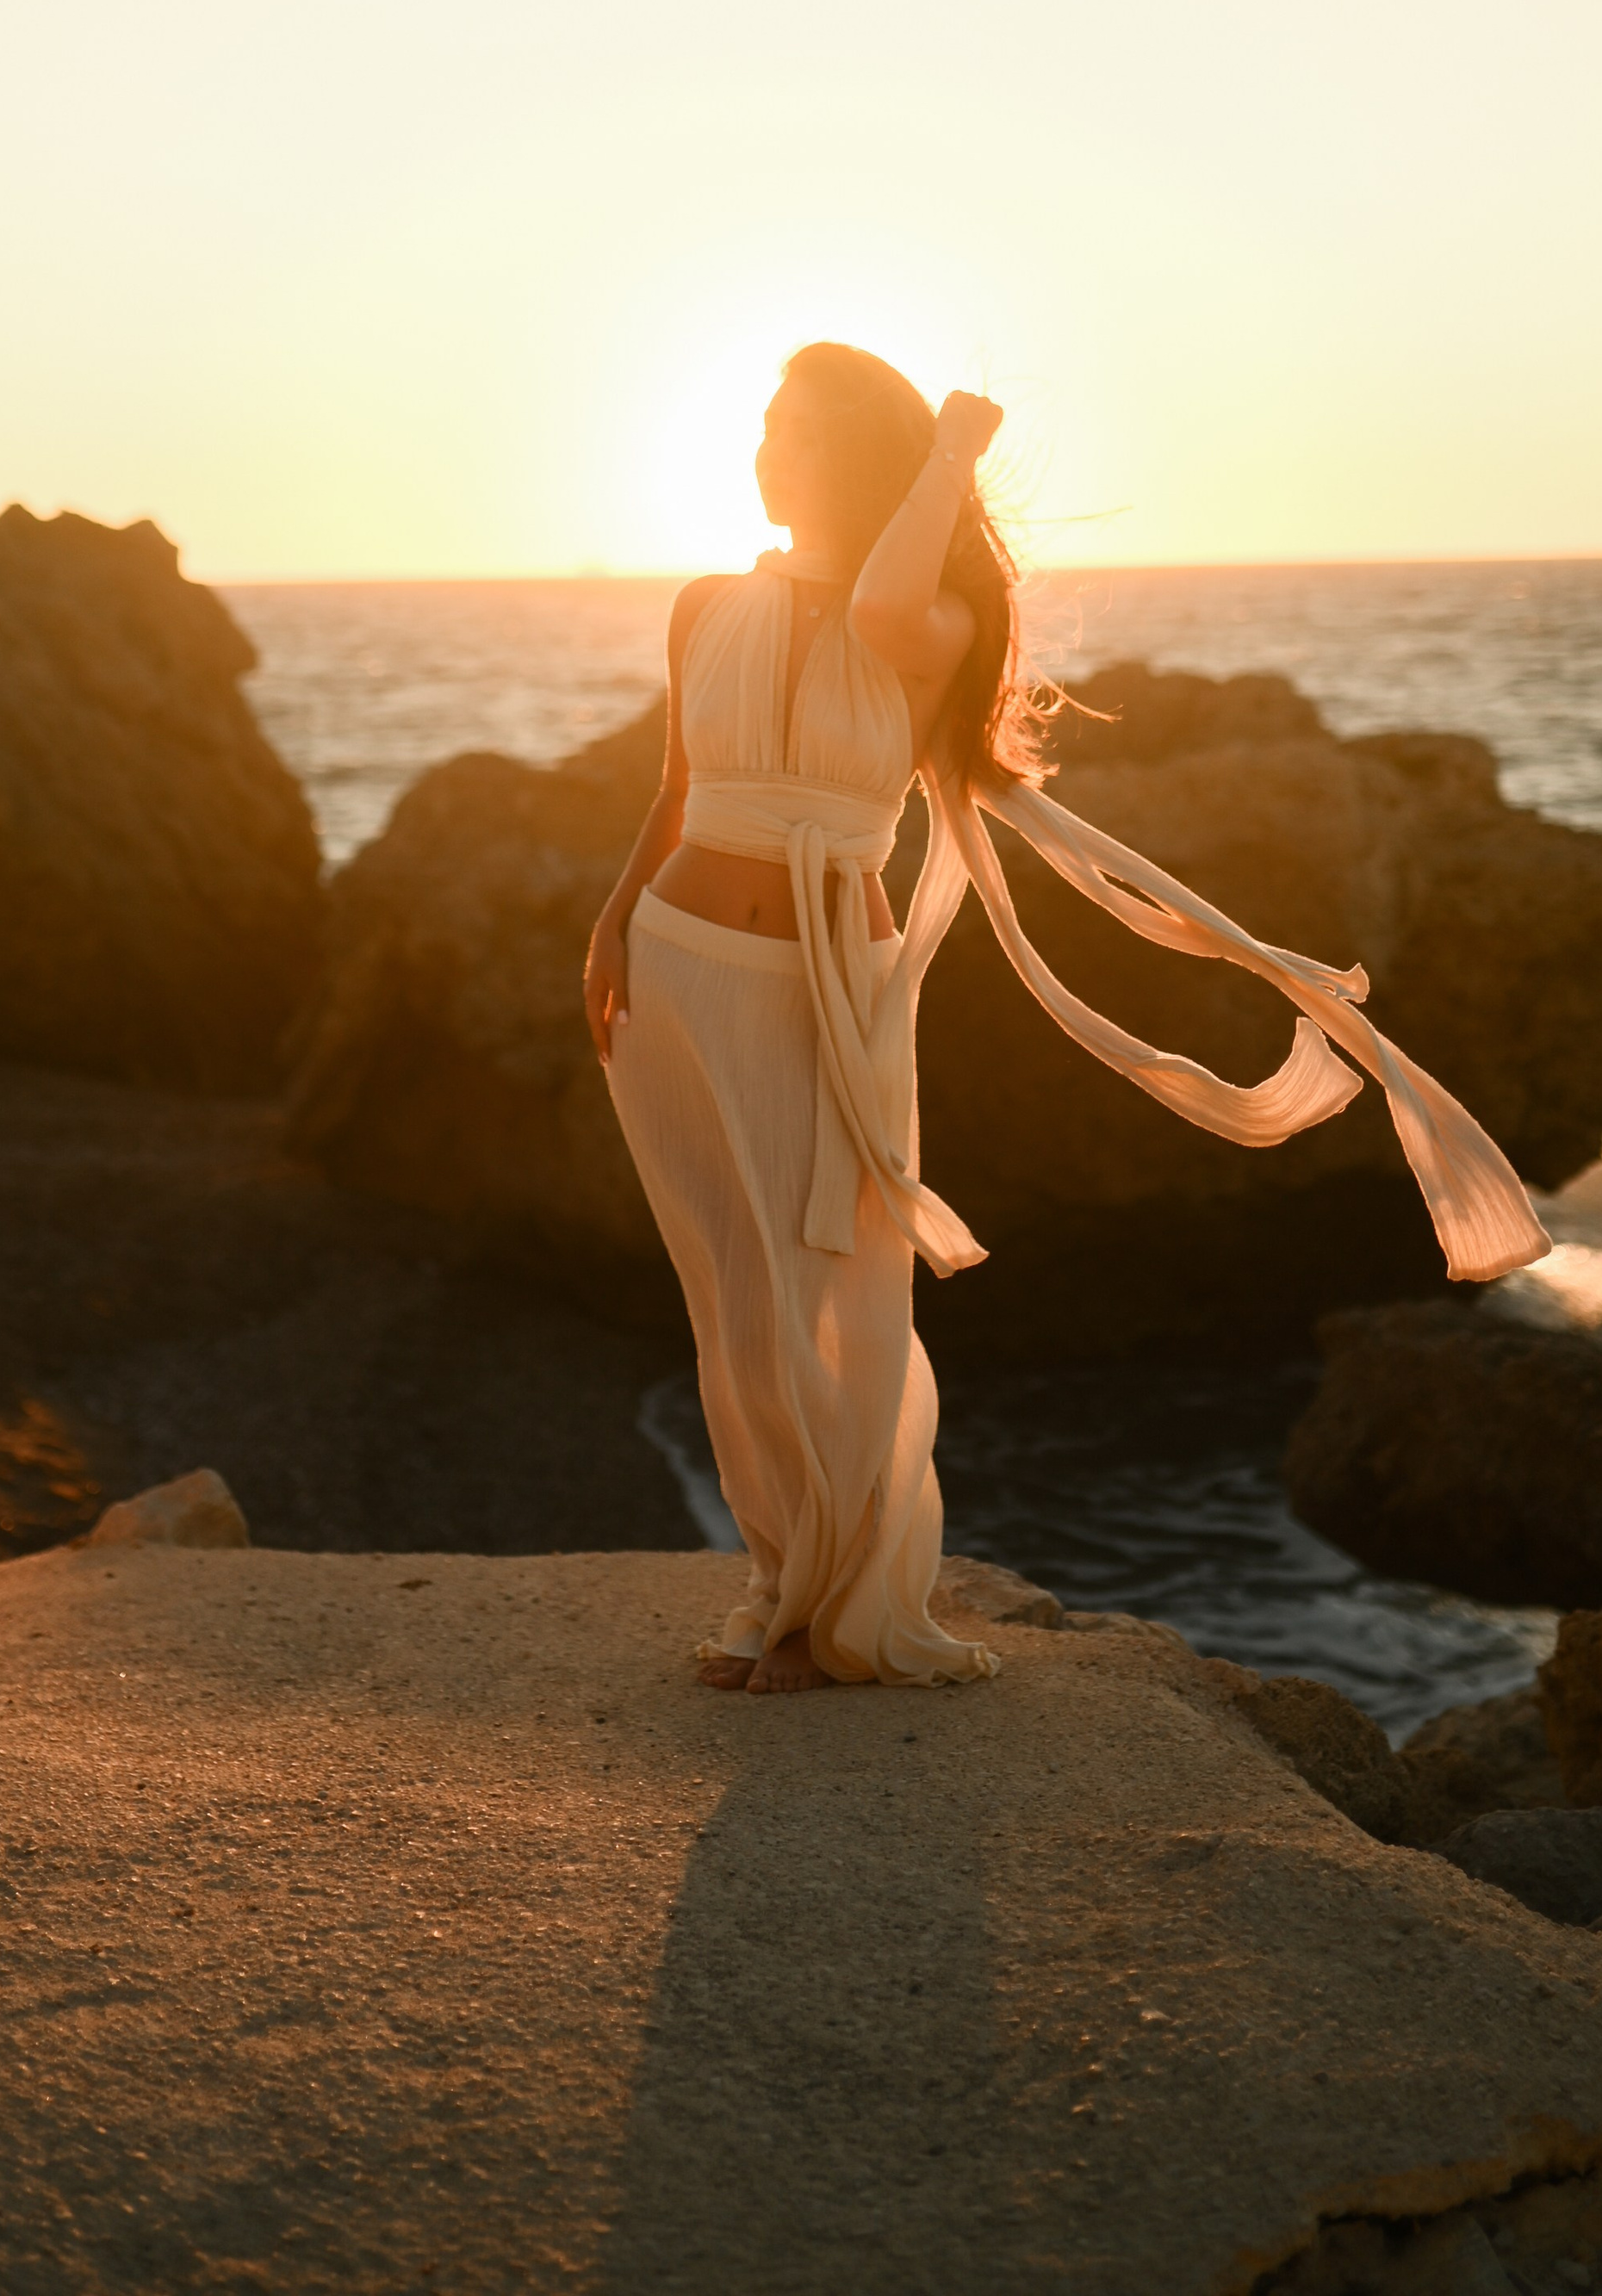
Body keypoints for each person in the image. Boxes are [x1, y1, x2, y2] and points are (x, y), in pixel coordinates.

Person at [583, 343, 1547, 1698]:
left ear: (859, 462)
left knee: (831, 1280)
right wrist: (613, 917)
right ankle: (773, 1584)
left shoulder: (930, 623)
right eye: (758, 425)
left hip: (823, 982)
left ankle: (836, 1608)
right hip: (676, 969)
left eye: (789, 430)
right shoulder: (701, 607)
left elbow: (878, 607)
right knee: (731, 1297)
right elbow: (674, 787)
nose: (759, 451)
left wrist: (951, 462)